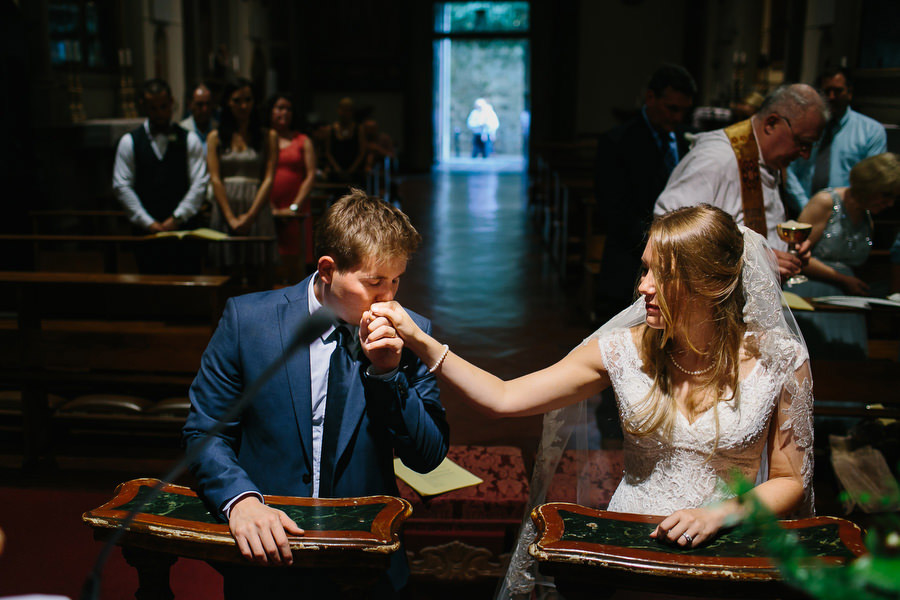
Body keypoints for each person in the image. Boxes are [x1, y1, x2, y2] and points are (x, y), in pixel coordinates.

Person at [371, 205, 813, 597]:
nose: (644, 287)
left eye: (664, 275)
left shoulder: (781, 359)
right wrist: (420, 341)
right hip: (630, 548)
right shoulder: (623, 350)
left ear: (712, 284)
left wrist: (723, 514)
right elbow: (503, 398)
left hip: (727, 551)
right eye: (644, 270)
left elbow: (791, 479)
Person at [184, 189, 449, 597]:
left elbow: (426, 457)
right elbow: (206, 432)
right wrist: (241, 501)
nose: (389, 299)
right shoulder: (248, 320)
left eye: (396, 280)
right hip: (267, 553)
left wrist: (389, 375)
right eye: (374, 282)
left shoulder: (413, 332)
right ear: (327, 270)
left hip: (362, 559)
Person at [655, 83, 829, 280]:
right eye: (802, 143)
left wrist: (788, 253)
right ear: (771, 123)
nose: (805, 155)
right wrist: (751, 259)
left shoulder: (767, 160)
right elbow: (668, 229)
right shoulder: (718, 158)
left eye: (810, 147)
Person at [594, 64, 696, 321]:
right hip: (631, 259)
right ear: (651, 98)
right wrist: (660, 245)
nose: (677, 118)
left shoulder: (689, 139)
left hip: (681, 262)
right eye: (672, 108)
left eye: (684, 111)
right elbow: (613, 210)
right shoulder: (618, 141)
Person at [789, 153, 900, 359]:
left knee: (848, 363)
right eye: (885, 196)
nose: (890, 204)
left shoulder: (868, 218)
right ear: (869, 186)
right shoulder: (825, 202)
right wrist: (841, 278)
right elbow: (795, 255)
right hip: (813, 292)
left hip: (847, 299)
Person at [112, 78, 208, 273]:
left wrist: (177, 218)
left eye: (163, 106)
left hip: (184, 234)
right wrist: (149, 222)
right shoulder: (129, 142)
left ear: (172, 103)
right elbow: (122, 186)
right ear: (143, 106)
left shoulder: (189, 139)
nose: (159, 114)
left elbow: (199, 184)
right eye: (153, 108)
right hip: (146, 235)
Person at [786, 67, 888, 213]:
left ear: (849, 92)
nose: (831, 97)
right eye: (826, 92)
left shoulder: (871, 131)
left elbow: (871, 181)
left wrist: (835, 211)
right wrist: (807, 207)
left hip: (848, 214)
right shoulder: (804, 126)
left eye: (837, 91)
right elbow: (789, 169)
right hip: (800, 210)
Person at [206, 78, 279, 273]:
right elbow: (215, 178)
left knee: (258, 272)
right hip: (225, 207)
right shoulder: (216, 137)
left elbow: (269, 177)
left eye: (248, 99)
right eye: (237, 100)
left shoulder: (267, 136)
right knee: (226, 271)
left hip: (256, 207)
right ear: (227, 102)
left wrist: (250, 216)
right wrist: (231, 218)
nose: (243, 106)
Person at [267, 92, 317, 279]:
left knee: (296, 264)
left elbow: (310, 174)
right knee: (272, 260)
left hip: (296, 209)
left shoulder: (302, 140)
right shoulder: (264, 139)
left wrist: (293, 207)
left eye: (288, 109)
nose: (284, 113)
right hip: (268, 206)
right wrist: (271, 208)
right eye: (279, 108)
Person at [324, 97, 366, 184]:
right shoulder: (331, 129)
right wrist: (337, 169)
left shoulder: (359, 129)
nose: (345, 113)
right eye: (343, 109)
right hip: (336, 172)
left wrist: (352, 169)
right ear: (338, 110)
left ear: (352, 112)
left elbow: (362, 152)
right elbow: (328, 152)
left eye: (348, 110)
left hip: (355, 172)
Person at [179, 82, 218, 148]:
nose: (204, 109)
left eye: (208, 104)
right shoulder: (182, 130)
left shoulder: (218, 129)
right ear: (190, 105)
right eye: (200, 104)